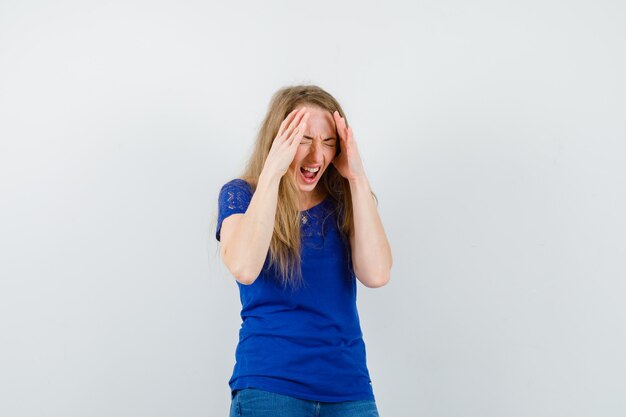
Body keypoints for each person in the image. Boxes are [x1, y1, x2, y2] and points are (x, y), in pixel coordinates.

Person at [216, 85, 392, 417]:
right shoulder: (241, 195)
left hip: (348, 388)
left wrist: (356, 177)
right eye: (303, 140)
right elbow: (244, 266)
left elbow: (377, 273)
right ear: (278, 141)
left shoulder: (345, 201)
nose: (317, 157)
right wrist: (273, 171)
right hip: (270, 386)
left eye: (328, 142)